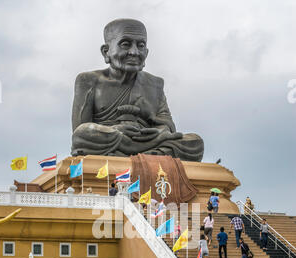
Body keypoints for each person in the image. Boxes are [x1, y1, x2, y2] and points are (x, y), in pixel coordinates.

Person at [71, 19, 204, 161]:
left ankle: (137, 157)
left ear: (146, 52)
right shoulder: (89, 80)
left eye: (140, 45)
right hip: (111, 140)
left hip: (147, 141)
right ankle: (151, 157)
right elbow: (80, 130)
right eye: (125, 44)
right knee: (82, 135)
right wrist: (116, 130)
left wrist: (157, 131)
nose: (134, 52)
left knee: (195, 142)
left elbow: (168, 126)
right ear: (106, 51)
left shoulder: (154, 84)